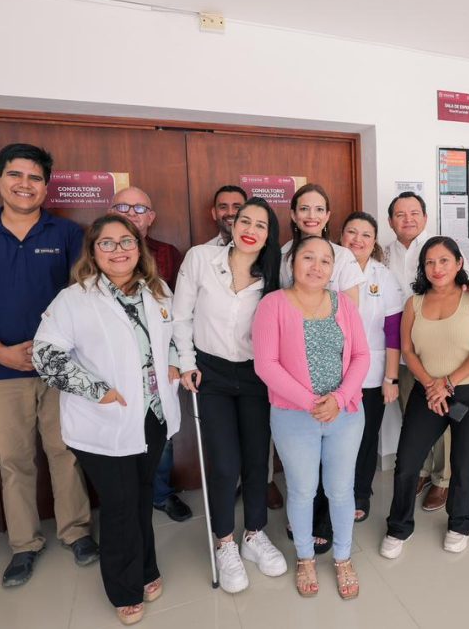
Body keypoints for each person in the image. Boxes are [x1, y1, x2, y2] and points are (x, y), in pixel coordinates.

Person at [0, 143, 97, 588]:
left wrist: (57, 353)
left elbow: (84, 299)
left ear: (46, 186)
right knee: (13, 460)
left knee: (66, 452)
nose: (25, 184)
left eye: (34, 178)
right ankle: (24, 545)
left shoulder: (67, 234)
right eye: (15, 175)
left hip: (61, 367)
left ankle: (76, 532)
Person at [33, 215, 181, 625]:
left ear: (139, 246)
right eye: (108, 243)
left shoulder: (158, 290)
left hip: (152, 415)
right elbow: (45, 355)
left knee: (141, 497)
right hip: (105, 420)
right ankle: (124, 589)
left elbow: (174, 336)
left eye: (126, 241)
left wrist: (174, 361)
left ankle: (147, 568)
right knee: (119, 506)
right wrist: (97, 389)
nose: (119, 250)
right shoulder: (74, 299)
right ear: (93, 251)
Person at [172, 198, 288, 593]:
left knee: (257, 458)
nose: (251, 229)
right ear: (232, 224)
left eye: (261, 225)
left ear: (270, 235)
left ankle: (254, 534)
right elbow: (181, 315)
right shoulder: (201, 259)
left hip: (258, 375)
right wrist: (185, 362)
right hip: (212, 373)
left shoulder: (275, 272)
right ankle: (225, 542)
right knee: (224, 464)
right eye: (245, 221)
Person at [253, 236, 370, 599]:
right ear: (292, 263)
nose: (316, 267)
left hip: (345, 413)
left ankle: (343, 557)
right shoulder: (273, 304)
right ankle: (305, 557)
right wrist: (311, 402)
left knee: (340, 490)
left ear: (332, 269)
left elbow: (361, 356)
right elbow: (266, 365)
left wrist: (338, 398)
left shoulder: (343, 304)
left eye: (324, 261)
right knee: (303, 490)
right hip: (293, 416)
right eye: (308, 258)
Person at [382, 237, 469, 558]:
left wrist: (447, 383)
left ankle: (460, 524)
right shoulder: (414, 303)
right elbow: (407, 350)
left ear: (459, 263)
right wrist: (431, 385)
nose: (437, 268)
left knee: (463, 463)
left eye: (444, 260)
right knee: (407, 462)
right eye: (429, 262)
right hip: (428, 391)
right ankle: (398, 527)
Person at [278, 184, 366, 550]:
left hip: (337, 376)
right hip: (293, 387)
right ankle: (304, 524)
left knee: (337, 474)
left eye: (319, 209)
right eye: (304, 208)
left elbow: (351, 325)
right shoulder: (282, 254)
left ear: (328, 215)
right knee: (303, 472)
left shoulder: (342, 256)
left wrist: (339, 394)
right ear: (294, 214)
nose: (311, 215)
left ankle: (326, 524)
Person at [108, 187, 192, 523]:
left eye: (140, 208)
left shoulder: (168, 254)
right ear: (110, 212)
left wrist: (176, 359)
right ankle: (127, 502)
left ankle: (160, 494)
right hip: (113, 365)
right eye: (123, 206)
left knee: (162, 433)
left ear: (151, 217)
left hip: (158, 363)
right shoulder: (94, 250)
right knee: (118, 434)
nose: (132, 213)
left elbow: (179, 312)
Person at [384, 191, 451, 511]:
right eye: (400, 214)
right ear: (390, 221)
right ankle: (422, 470)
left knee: (441, 411)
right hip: (402, 350)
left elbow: (464, 285)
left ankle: (444, 478)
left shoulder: (440, 249)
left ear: (425, 217)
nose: (407, 219)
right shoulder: (382, 254)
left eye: (414, 213)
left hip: (438, 348)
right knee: (412, 416)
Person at [339, 212, 403, 522]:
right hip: (332, 369)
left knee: (366, 436)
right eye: (352, 232)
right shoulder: (327, 267)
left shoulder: (383, 276)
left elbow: (393, 330)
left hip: (372, 372)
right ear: (341, 235)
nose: (358, 239)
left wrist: (391, 377)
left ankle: (360, 491)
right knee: (333, 435)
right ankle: (333, 492)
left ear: (374, 240)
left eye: (366, 234)